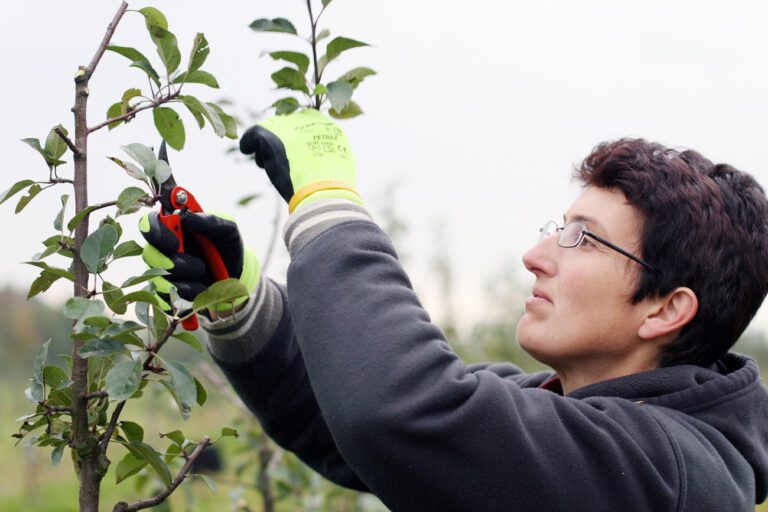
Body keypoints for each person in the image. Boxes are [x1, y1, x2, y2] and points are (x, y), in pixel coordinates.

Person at [140, 109, 768, 511]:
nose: (535, 257)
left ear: (665, 310)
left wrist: (327, 203)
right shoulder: (565, 412)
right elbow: (348, 417)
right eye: (558, 228)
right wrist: (240, 302)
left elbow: (403, 411)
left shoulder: (668, 474)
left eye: (582, 239)